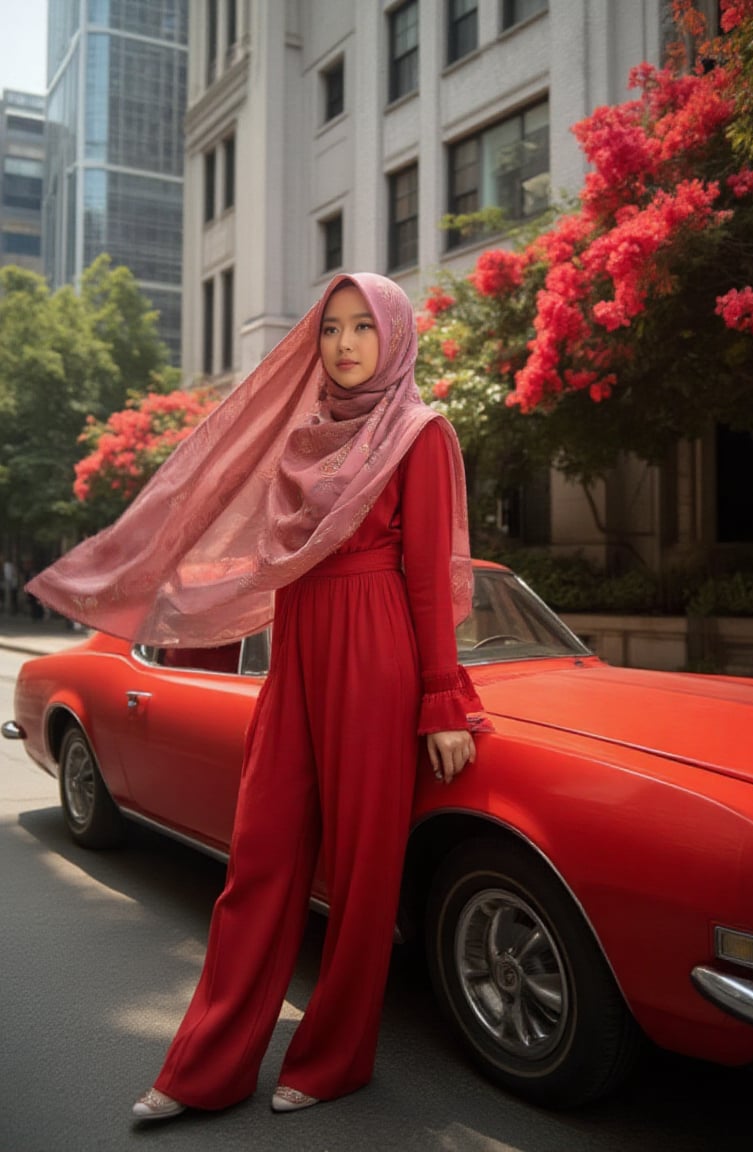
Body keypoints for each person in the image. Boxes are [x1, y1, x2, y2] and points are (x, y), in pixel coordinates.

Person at [27, 273, 484, 1122]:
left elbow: (426, 580)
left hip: (376, 648)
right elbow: (258, 561)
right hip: (298, 649)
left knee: (362, 869)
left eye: (362, 328)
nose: (344, 345)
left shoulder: (420, 434)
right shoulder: (303, 437)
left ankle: (336, 1056)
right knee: (261, 855)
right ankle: (205, 1065)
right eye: (329, 329)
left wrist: (441, 701)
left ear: (395, 336)